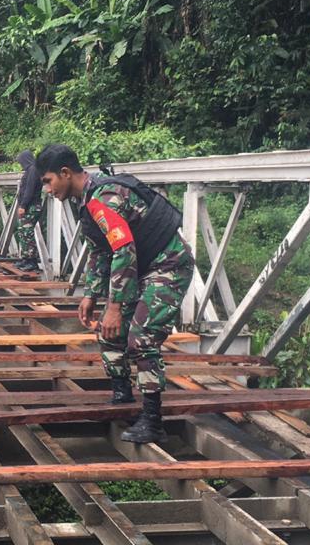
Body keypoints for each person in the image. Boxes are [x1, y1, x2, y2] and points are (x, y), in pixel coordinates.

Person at [36, 144, 193, 445]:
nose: (46, 189)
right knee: (108, 333)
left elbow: (123, 249)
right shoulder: (86, 201)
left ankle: (152, 420)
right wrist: (91, 295)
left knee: (141, 337)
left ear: (65, 173)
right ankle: (122, 396)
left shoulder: (102, 200)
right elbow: (100, 251)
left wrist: (114, 306)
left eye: (47, 181)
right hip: (139, 266)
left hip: (167, 264)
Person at [14, 150, 44, 272]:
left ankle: (32, 261)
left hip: (31, 206)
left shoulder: (33, 170)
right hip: (29, 205)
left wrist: (23, 205)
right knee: (23, 231)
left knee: (27, 233)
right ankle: (26, 259)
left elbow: (29, 190)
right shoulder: (31, 170)